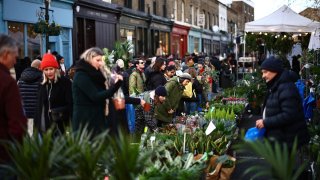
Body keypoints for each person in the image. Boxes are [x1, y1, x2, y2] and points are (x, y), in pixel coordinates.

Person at [256, 56, 309, 149]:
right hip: (281, 139)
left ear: (275, 70)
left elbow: (289, 114)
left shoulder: (286, 88)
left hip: (286, 141)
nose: (263, 76)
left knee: (281, 164)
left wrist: (266, 122)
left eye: (265, 72)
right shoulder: (277, 85)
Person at [72, 47, 123, 136]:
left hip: (96, 118)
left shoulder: (95, 74)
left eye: (101, 60)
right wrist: (115, 86)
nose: (101, 63)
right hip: (85, 121)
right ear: (89, 58)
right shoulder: (81, 75)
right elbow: (96, 96)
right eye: (98, 60)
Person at [0, 34, 27, 176]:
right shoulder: (7, 83)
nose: (16, 61)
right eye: (15, 57)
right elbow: (17, 123)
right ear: (5, 54)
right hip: (4, 155)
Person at [34, 53, 72, 135]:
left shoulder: (65, 82)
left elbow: (71, 104)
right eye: (46, 69)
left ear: (56, 69)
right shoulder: (41, 84)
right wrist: (36, 128)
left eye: (51, 69)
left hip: (61, 126)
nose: (49, 72)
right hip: (44, 128)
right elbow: (38, 107)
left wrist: (58, 111)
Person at [18, 59, 42, 136]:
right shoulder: (41, 79)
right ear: (39, 67)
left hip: (24, 113)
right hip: (36, 113)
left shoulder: (20, 79)